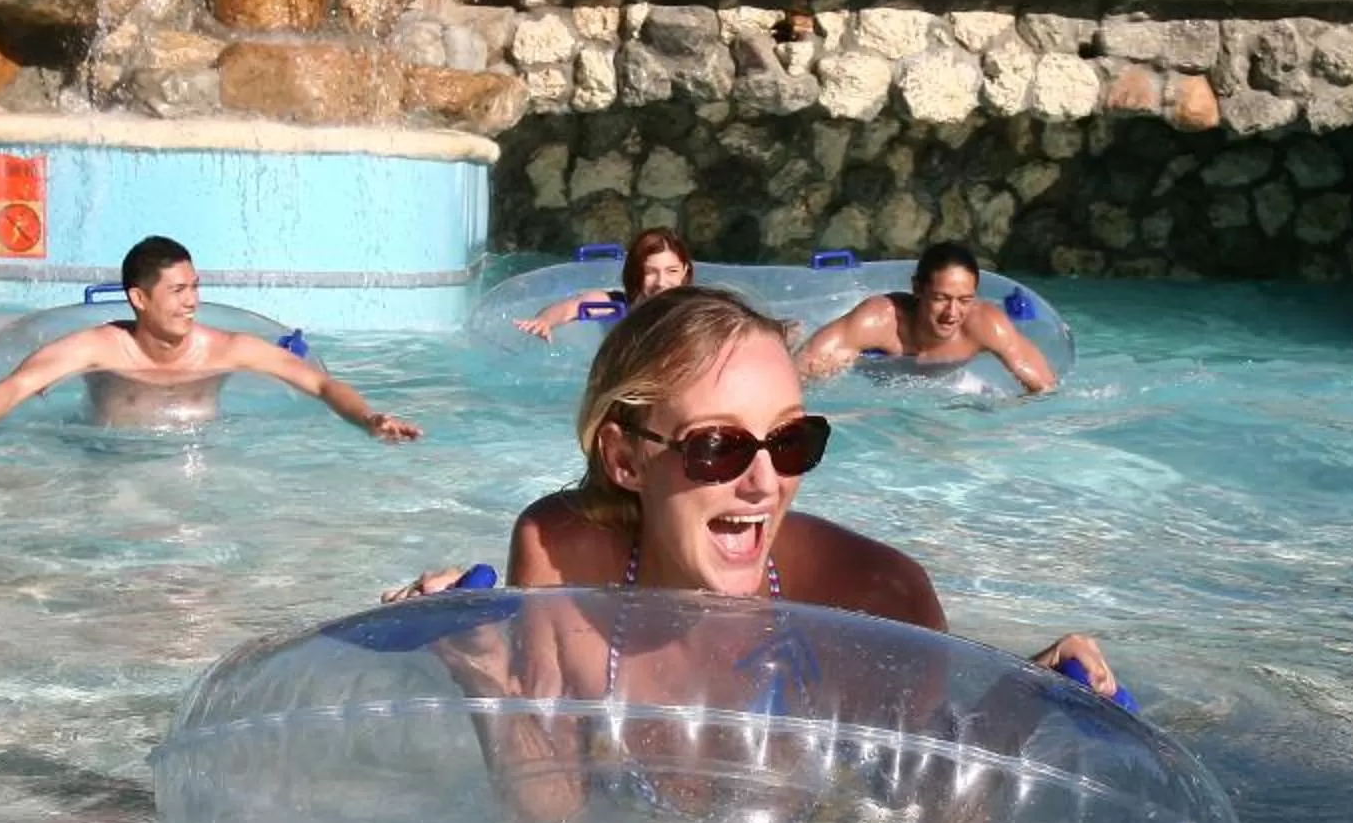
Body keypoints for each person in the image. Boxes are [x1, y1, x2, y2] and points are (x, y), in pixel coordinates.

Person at [383, 283, 1114, 694]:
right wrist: (485, 680)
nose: (765, 482)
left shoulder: (876, 598)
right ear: (625, 459)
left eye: (791, 440)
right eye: (716, 448)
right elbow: (547, 812)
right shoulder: (561, 553)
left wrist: (1023, 704)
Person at [0, 235, 420, 455]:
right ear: (139, 298)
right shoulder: (98, 348)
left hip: (199, 460)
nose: (192, 302)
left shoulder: (226, 348)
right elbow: (18, 386)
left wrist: (368, 419)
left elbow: (320, 383)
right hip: (103, 460)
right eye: (178, 291)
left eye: (196, 288)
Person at [794, 239, 1059, 394]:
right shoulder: (879, 320)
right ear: (917, 289)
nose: (952, 314)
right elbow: (799, 373)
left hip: (949, 385)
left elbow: (1045, 388)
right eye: (941, 298)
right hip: (875, 380)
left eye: (964, 300)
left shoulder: (986, 324)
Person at [511, 228, 693, 341]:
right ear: (635, 272)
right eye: (650, 272)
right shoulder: (617, 306)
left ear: (684, 271)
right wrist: (545, 321)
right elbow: (572, 306)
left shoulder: (695, 309)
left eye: (672, 271)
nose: (661, 282)